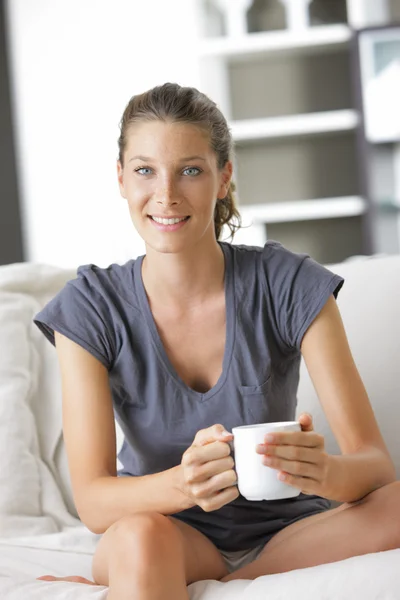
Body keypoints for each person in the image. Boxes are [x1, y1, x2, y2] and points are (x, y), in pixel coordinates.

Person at [33, 82, 399, 600]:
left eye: (190, 170)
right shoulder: (92, 306)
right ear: (120, 178)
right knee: (139, 537)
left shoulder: (288, 283)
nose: (166, 194)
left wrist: (322, 473)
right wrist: (181, 485)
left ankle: (229, 583)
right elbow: (94, 502)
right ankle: (199, 575)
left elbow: (375, 466)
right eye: (144, 170)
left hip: (289, 532)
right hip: (168, 533)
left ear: (223, 176)